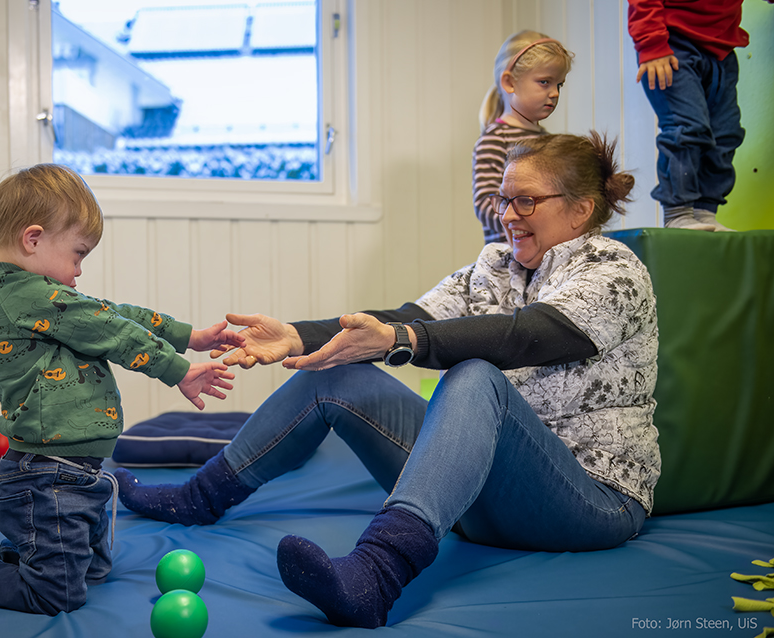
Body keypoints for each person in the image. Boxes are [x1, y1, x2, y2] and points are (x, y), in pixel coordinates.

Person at [113, 133, 661, 628]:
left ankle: (376, 572)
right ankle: (200, 497)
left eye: (527, 200)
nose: (509, 214)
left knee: (475, 376)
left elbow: (529, 336)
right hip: (479, 492)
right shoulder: (495, 266)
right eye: (503, 198)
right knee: (336, 372)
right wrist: (298, 335)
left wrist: (405, 339)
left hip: (590, 502)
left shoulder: (614, 270)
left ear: (581, 210)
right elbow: (403, 317)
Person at [0, 163, 241, 615]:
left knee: (93, 571)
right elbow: (108, 327)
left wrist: (187, 335)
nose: (79, 270)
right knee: (57, 594)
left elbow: (111, 311)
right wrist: (175, 368)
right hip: (47, 477)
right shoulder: (24, 296)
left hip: (78, 475)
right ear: (33, 238)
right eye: (78, 254)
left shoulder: (38, 293)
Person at [628, 0, 774, 231]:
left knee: (726, 133)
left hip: (721, 52)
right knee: (687, 128)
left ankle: (705, 211)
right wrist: (652, 46)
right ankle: (678, 212)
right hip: (673, 48)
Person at [474, 30, 574, 244]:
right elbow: (485, 203)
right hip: (508, 256)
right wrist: (524, 226)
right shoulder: (495, 139)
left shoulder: (548, 142)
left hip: (544, 250)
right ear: (509, 83)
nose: (555, 92)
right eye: (545, 82)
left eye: (559, 84)